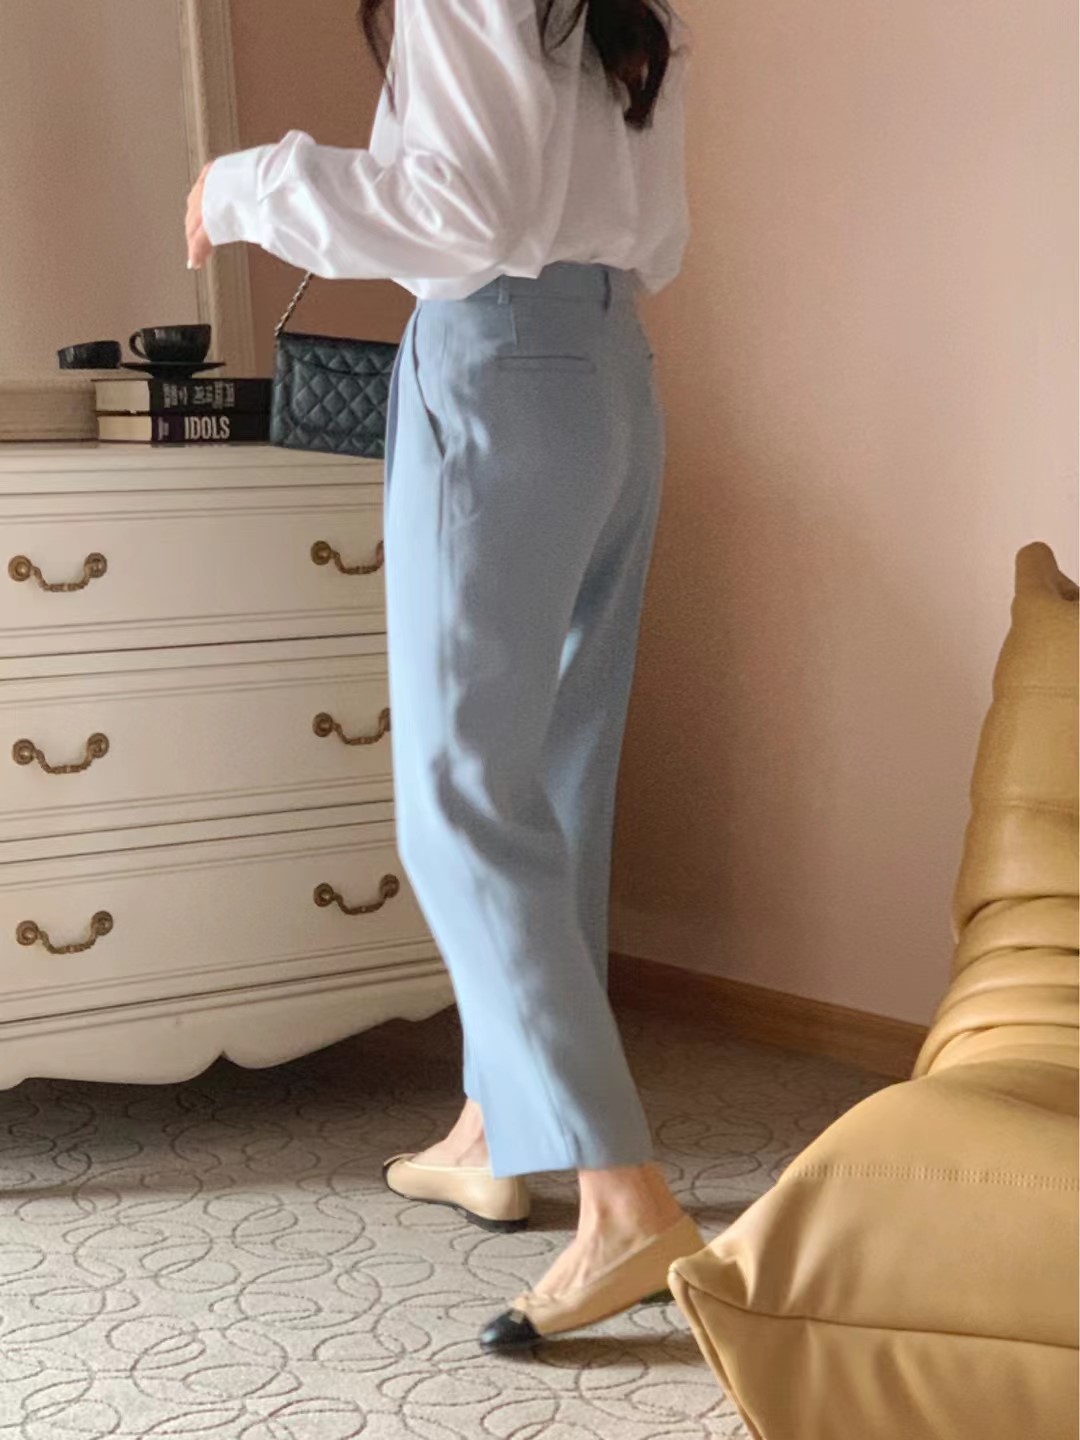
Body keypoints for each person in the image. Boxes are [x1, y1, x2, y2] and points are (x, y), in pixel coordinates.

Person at [186, 0, 701, 1352]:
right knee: (556, 778)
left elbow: (457, 211)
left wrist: (244, 184)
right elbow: (625, 212)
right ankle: (495, 1127)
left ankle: (624, 1202)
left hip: (497, 364)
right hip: (612, 368)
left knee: (463, 800)